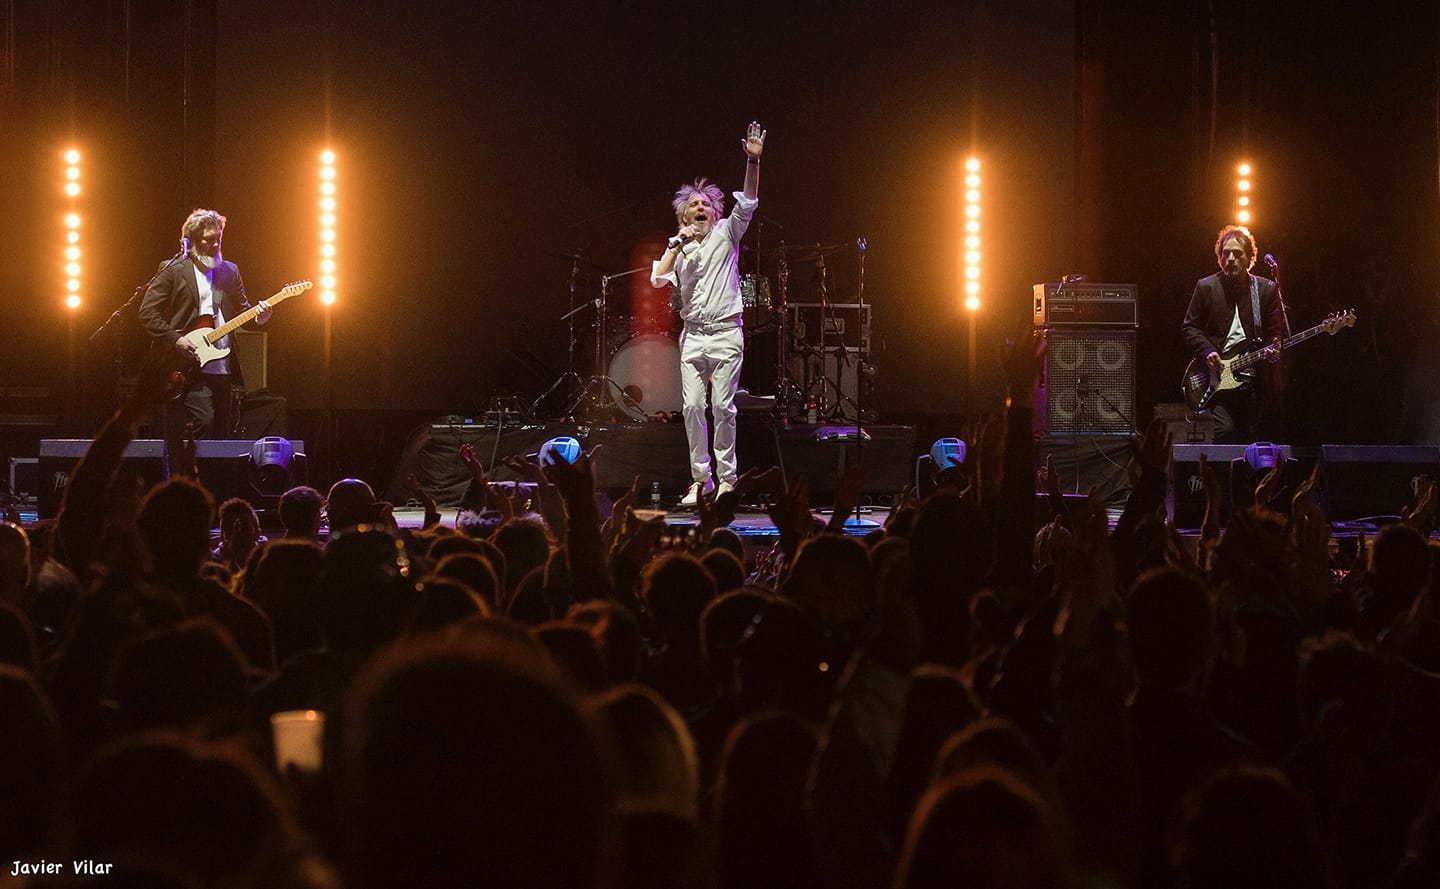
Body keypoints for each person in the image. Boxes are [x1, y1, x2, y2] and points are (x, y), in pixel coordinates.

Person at [651, 121, 766, 506]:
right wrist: (677, 242)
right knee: (692, 407)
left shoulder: (726, 234)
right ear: (684, 215)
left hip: (726, 333)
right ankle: (702, 480)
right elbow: (658, 278)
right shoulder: (680, 245)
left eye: (706, 205)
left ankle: (728, 479)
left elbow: (748, 201)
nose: (701, 209)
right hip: (694, 336)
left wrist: (752, 162)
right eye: (694, 206)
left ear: (715, 212)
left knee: (721, 406)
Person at [138, 208, 272, 451]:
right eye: (208, 239)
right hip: (190, 363)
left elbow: (245, 312)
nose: (215, 244)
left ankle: (214, 485)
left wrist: (260, 316)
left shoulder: (229, 271)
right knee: (205, 422)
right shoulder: (173, 269)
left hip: (222, 364)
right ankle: (194, 478)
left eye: (218, 238)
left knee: (222, 430)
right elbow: (147, 312)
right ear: (191, 241)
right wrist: (175, 339)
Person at [1180, 225, 1288, 443]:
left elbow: (1273, 334)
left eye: (1237, 254)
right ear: (1219, 258)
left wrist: (1274, 349)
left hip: (1254, 379)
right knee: (1226, 432)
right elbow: (1189, 327)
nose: (1230, 258)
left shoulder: (1266, 290)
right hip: (1219, 377)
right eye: (1225, 253)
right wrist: (1208, 351)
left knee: (1256, 437)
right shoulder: (1206, 287)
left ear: (1249, 258)